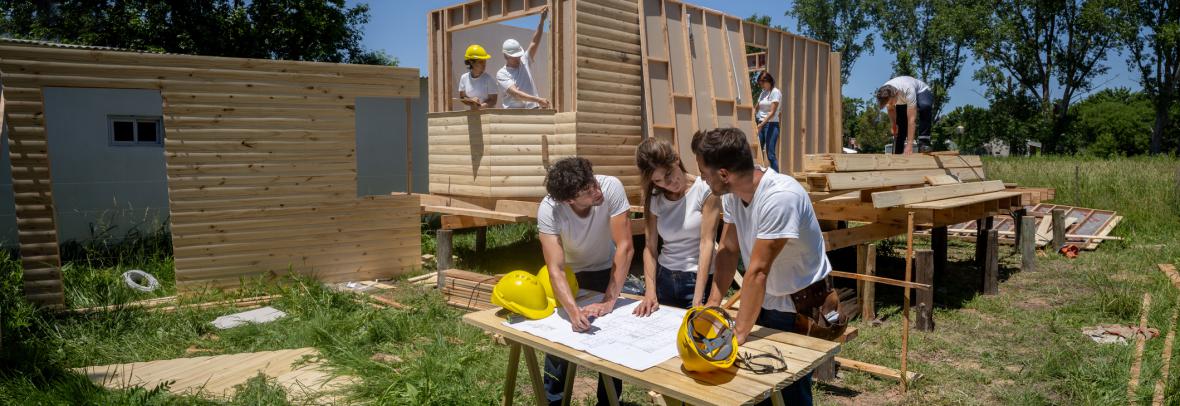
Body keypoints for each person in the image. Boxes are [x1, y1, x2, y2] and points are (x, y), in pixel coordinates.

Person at [692, 128, 832, 405]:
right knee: (756, 390)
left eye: (704, 173)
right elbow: (729, 249)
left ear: (723, 174)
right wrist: (713, 304)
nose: (701, 179)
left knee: (790, 390)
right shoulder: (733, 193)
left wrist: (739, 334)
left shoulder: (781, 196)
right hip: (765, 299)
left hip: (797, 305)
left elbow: (757, 270)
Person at [536, 157, 630, 406]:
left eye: (593, 183)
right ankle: (553, 400)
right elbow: (554, 267)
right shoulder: (549, 208)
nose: (596, 191)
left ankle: (609, 401)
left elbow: (625, 246)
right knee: (560, 340)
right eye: (587, 191)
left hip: (604, 268)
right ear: (569, 200)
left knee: (610, 336)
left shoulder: (611, 187)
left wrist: (610, 300)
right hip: (570, 275)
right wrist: (572, 310)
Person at [632, 138, 723, 315]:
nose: (668, 184)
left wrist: (698, 298)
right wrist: (650, 293)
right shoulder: (655, 197)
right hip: (664, 279)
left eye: (668, 174)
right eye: (658, 181)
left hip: (697, 281)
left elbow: (707, 244)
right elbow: (650, 248)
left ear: (676, 159)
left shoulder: (705, 190)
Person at [497, 7, 550, 109]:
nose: (518, 59)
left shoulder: (524, 60)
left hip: (533, 109)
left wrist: (542, 21)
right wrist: (538, 100)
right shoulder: (502, 74)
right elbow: (516, 94)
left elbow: (534, 42)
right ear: (505, 56)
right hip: (515, 115)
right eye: (514, 57)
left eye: (519, 56)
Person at [876, 76, 933, 154]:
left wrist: (909, 145)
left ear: (896, 94)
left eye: (892, 102)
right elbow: (891, 109)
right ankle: (898, 150)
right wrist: (893, 125)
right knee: (901, 124)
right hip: (902, 98)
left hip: (920, 91)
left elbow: (911, 120)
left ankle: (924, 142)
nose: (891, 104)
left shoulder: (908, 89)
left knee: (925, 107)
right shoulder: (884, 92)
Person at [754, 72, 782, 170]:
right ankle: (759, 178)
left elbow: (772, 112)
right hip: (760, 123)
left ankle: (776, 180)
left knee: (770, 155)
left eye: (762, 84)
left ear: (767, 81)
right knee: (758, 153)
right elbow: (756, 107)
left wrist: (761, 124)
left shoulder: (775, 92)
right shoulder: (763, 93)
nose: (761, 86)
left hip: (771, 125)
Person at [457, 44, 498, 110]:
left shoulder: (489, 79)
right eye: (481, 62)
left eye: (485, 61)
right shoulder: (464, 78)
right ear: (471, 62)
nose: (484, 64)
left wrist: (481, 106)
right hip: (470, 116)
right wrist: (471, 101)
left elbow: (493, 100)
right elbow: (462, 97)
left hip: (486, 116)